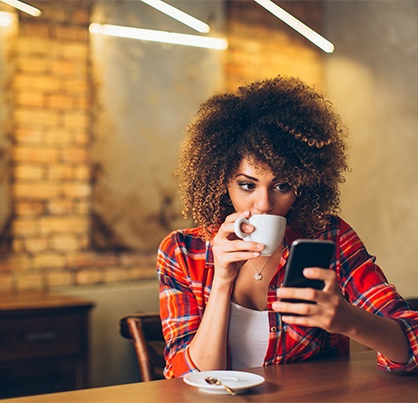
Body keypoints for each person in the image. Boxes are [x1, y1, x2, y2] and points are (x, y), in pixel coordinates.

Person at [156, 76, 418, 379]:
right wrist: (222, 282)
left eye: (281, 185)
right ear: (221, 180)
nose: (264, 203)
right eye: (247, 185)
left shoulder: (328, 237)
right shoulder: (183, 252)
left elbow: (412, 341)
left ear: (303, 186)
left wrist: (349, 320)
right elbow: (186, 379)